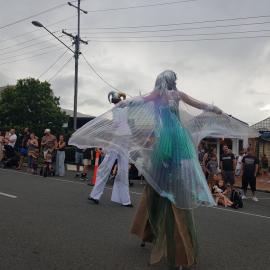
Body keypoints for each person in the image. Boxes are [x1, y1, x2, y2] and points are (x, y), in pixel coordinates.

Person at [69, 70, 255, 269]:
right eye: (173, 80)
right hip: (177, 136)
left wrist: (124, 103)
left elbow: (141, 100)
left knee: (163, 177)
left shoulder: (160, 94)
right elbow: (198, 103)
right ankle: (165, 202)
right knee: (170, 175)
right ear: (172, 81)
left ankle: (165, 204)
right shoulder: (175, 94)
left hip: (167, 136)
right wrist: (215, 108)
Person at [88, 91, 133, 207]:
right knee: (123, 170)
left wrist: (109, 136)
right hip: (125, 138)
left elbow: (116, 124)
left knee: (106, 167)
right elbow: (124, 105)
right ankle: (125, 200)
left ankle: (95, 195)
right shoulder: (125, 107)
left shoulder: (118, 109)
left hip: (119, 138)